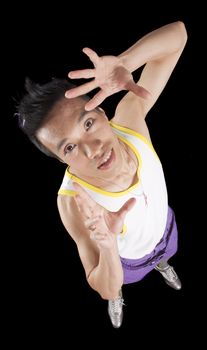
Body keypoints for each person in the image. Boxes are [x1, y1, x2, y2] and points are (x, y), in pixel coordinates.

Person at [16, 21, 188, 328]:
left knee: (164, 254)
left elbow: (178, 36)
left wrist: (127, 62)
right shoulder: (74, 202)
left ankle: (163, 264)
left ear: (102, 112)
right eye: (69, 147)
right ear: (61, 160)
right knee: (115, 288)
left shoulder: (131, 121)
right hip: (125, 262)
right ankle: (119, 303)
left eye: (87, 124)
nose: (92, 149)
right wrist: (108, 246)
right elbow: (103, 284)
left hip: (163, 228)